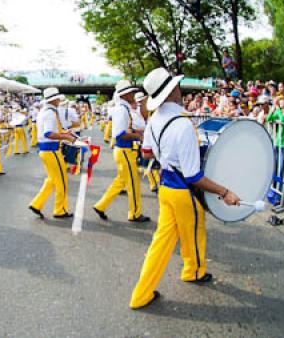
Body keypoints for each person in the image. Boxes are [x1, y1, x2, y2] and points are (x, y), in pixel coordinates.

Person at [130, 68, 240, 309]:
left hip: (165, 186)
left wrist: (166, 155)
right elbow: (194, 177)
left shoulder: (154, 120)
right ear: (172, 91)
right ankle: (195, 270)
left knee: (161, 241)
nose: (180, 89)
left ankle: (141, 294)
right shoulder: (183, 124)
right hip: (182, 191)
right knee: (195, 229)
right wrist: (225, 192)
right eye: (177, 86)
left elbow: (147, 152)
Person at [93, 80, 149, 222]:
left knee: (120, 181)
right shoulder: (122, 110)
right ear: (125, 95)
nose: (133, 94)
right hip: (124, 150)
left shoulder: (122, 108)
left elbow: (124, 131)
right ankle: (135, 213)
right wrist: (138, 136)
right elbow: (120, 134)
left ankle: (101, 205)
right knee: (133, 184)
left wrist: (136, 133)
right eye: (131, 92)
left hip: (123, 150)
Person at [28, 88, 79, 218]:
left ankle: (36, 204)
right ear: (54, 99)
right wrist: (67, 137)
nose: (59, 101)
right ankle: (59, 210)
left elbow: (52, 131)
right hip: (51, 150)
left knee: (52, 180)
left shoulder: (46, 111)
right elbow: (49, 133)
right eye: (58, 99)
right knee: (62, 181)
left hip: (47, 150)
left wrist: (66, 134)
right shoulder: (50, 113)